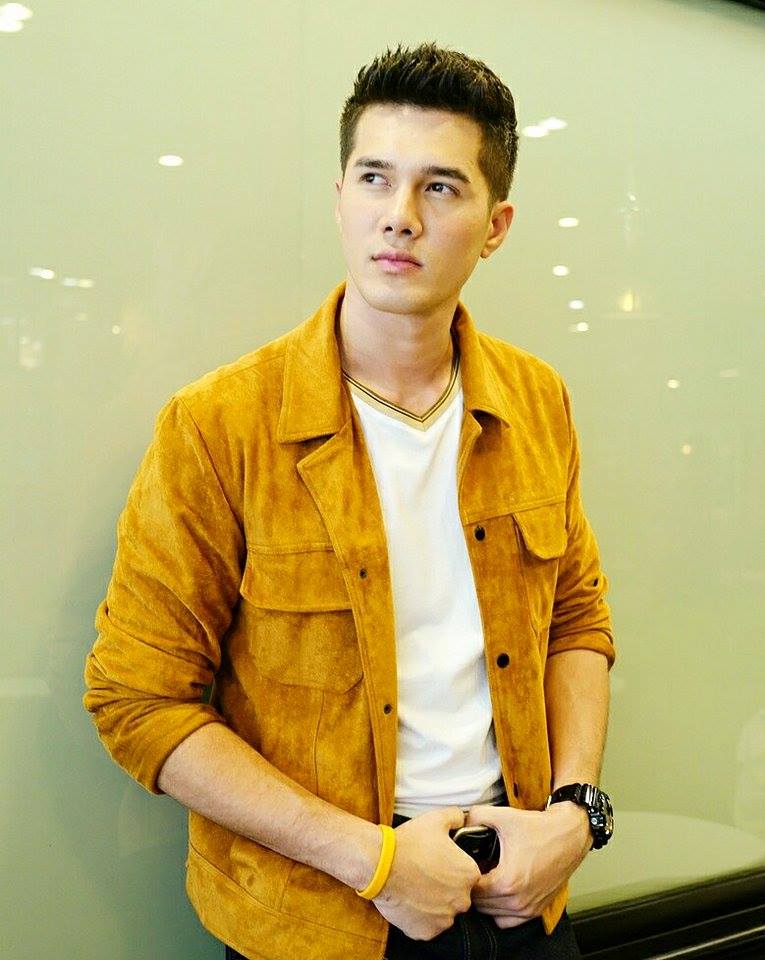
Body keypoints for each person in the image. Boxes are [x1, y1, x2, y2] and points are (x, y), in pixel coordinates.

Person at [84, 41, 616, 960]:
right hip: (316, 915)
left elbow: (576, 620)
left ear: (495, 225)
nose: (399, 216)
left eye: (440, 187)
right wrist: (374, 861)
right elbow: (138, 701)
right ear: (340, 199)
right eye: (374, 178)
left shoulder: (538, 402)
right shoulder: (219, 426)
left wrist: (574, 812)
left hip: (520, 894)